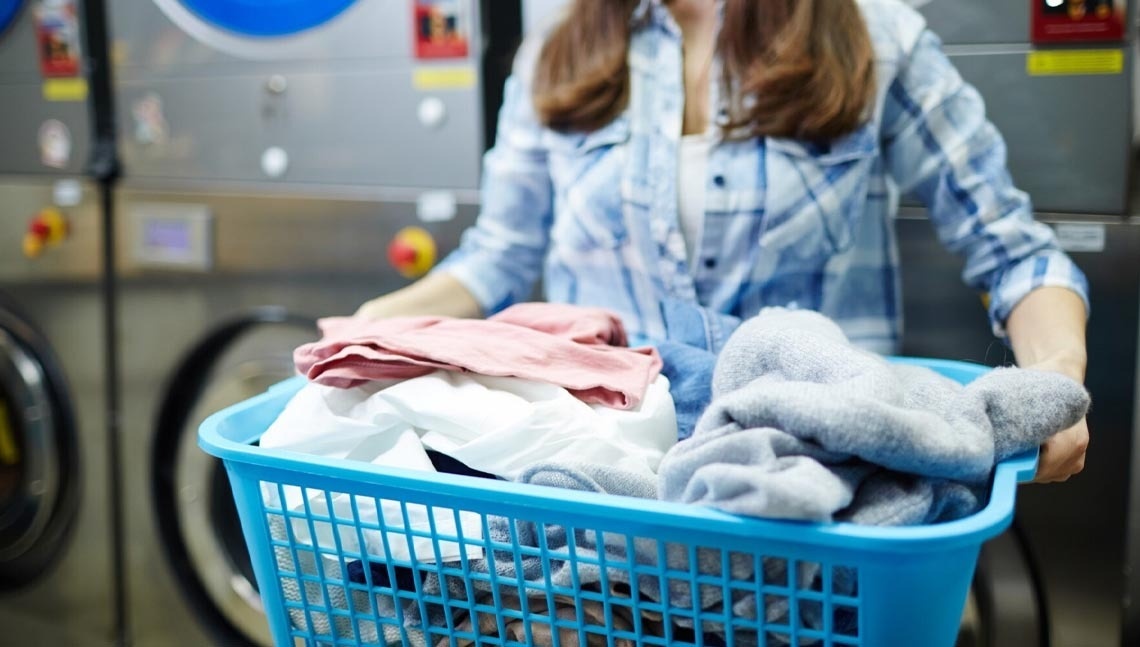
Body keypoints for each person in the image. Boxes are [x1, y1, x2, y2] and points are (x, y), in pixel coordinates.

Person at [356, 0, 1090, 483]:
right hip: (603, 478)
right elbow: (499, 254)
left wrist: (1059, 375)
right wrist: (364, 333)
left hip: (821, 469)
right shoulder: (557, 45)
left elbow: (1013, 250)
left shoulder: (873, 34)